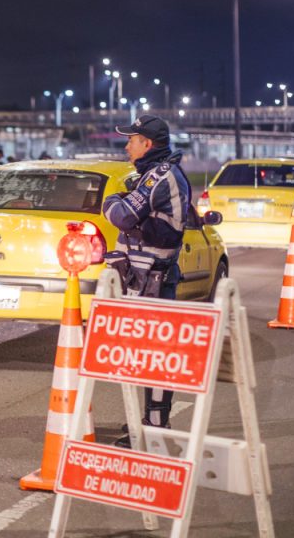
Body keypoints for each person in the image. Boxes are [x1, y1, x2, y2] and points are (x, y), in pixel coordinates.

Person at [101, 114, 190, 449]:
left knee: (156, 356)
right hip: (143, 279)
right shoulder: (153, 175)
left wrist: (112, 200)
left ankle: (154, 427)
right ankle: (151, 423)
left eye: (132, 140)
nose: (127, 146)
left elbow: (121, 216)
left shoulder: (160, 177)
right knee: (145, 356)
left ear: (147, 144)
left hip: (155, 280)